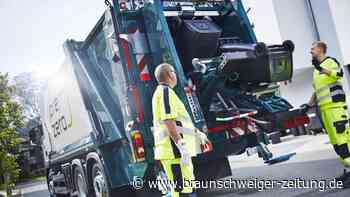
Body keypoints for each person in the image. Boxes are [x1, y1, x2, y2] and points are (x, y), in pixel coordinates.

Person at [152, 63, 210, 197]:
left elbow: (178, 121)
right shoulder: (165, 92)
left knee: (185, 187)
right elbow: (168, 121)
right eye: (173, 72)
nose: (175, 75)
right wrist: (181, 146)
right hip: (173, 151)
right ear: (169, 75)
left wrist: (196, 133)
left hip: (174, 151)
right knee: (181, 190)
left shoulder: (163, 92)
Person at [301, 41, 350, 186]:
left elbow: (339, 74)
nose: (310, 51)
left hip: (336, 107)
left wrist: (322, 69)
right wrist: (308, 104)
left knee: (343, 141)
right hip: (324, 109)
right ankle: (348, 170)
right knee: (335, 142)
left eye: (313, 48)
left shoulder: (330, 62)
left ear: (321, 49)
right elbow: (317, 90)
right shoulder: (316, 70)